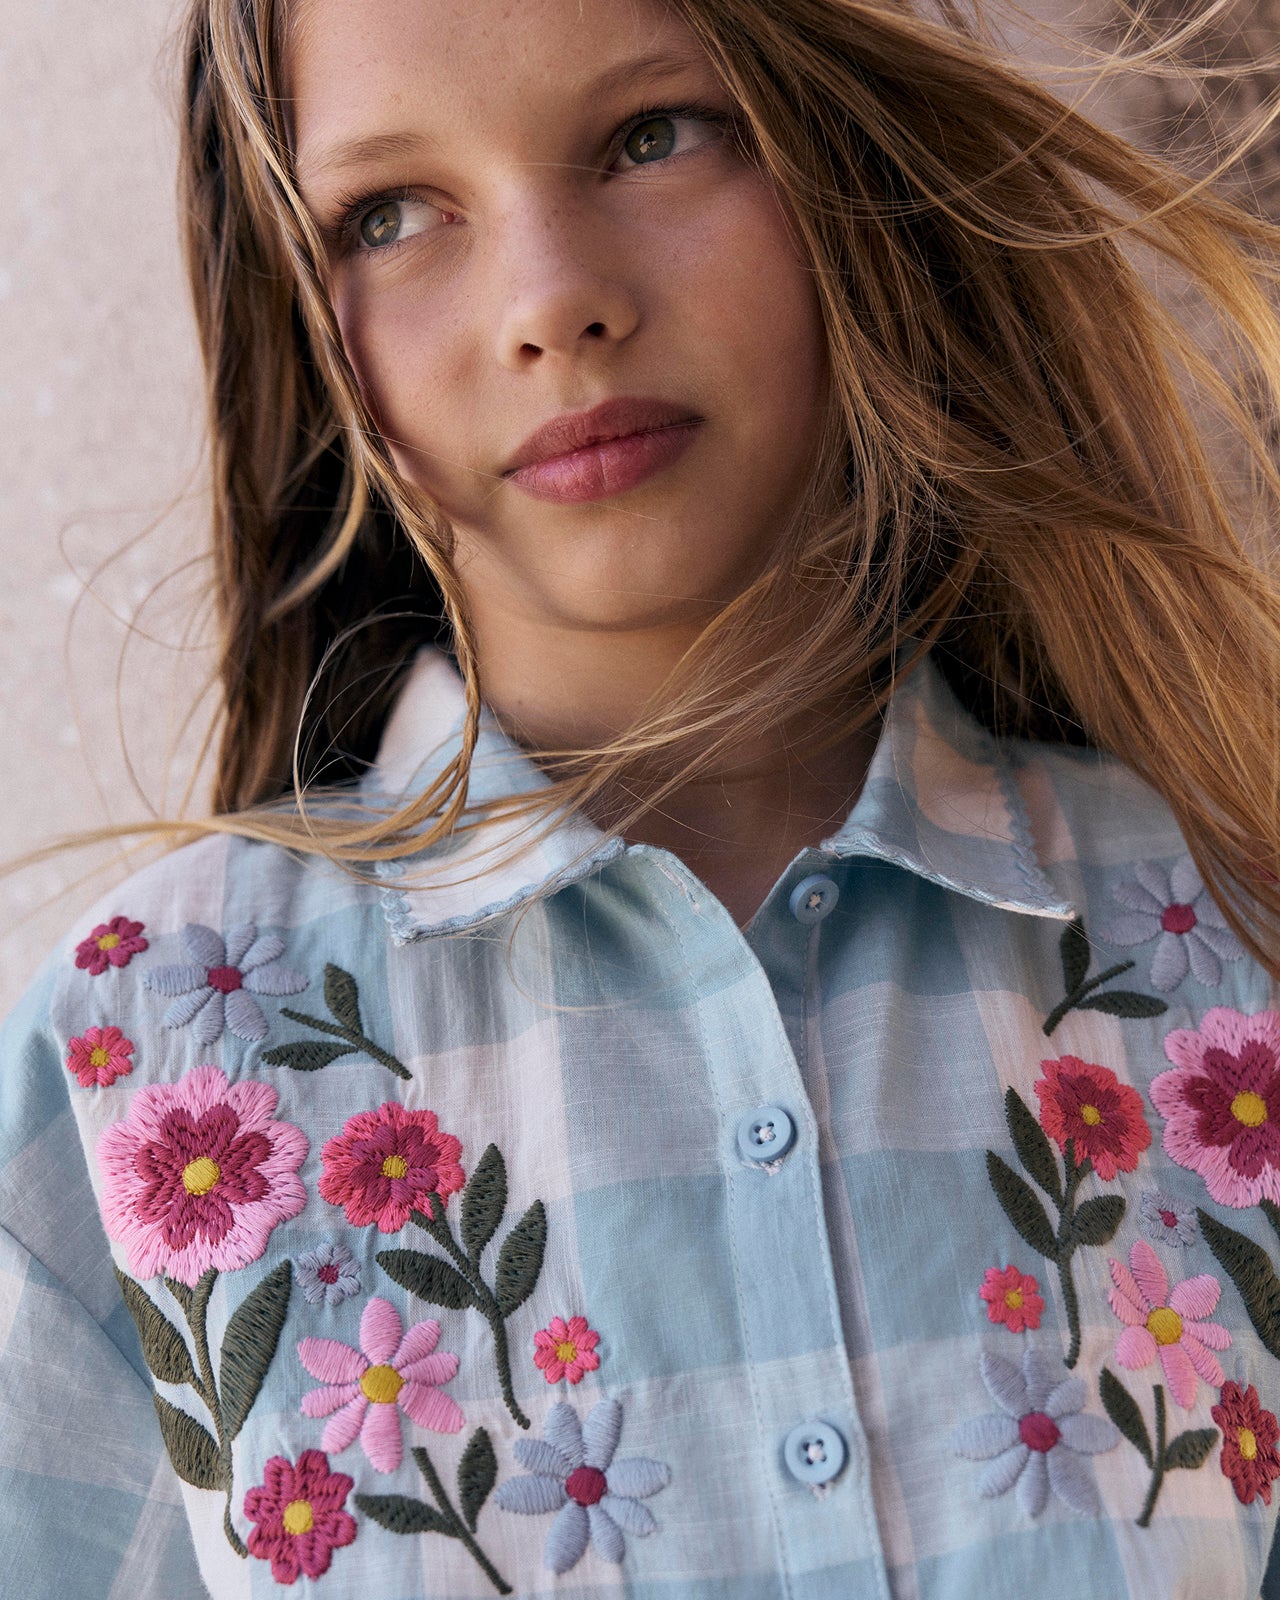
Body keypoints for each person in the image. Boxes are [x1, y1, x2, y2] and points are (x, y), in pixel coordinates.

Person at [5, 0, 1280, 1593]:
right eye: (388, 215)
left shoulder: (1230, 944)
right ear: (292, 318)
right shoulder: (130, 1077)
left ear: (841, 162)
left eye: (654, 135)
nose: (553, 300)